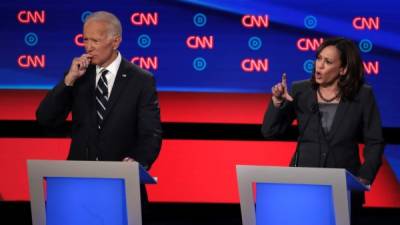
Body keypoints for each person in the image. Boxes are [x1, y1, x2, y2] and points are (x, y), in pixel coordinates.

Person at [36, 11, 162, 207]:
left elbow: (151, 134)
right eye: (85, 40)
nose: (88, 47)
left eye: (95, 41)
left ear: (115, 41)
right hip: (77, 183)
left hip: (121, 184)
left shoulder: (141, 80)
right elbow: (45, 118)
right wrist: (69, 80)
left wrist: (136, 162)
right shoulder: (78, 76)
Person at [261, 37, 384, 221]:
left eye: (327, 62)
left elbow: (375, 141)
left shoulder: (362, 95)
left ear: (343, 69)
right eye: (318, 59)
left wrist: (364, 178)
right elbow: (270, 131)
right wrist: (277, 103)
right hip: (303, 186)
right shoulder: (300, 91)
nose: (319, 66)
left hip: (344, 190)